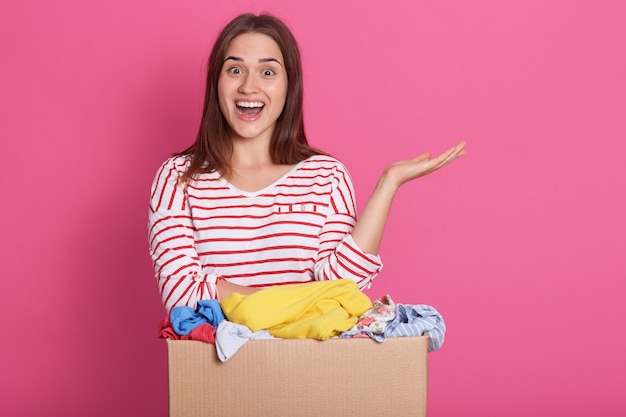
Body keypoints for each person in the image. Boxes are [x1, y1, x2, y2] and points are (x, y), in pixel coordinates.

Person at [149, 13, 465, 312]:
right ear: (216, 83)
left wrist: (389, 183)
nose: (248, 86)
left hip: (309, 367)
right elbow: (182, 295)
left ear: (290, 86)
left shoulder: (326, 177)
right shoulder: (177, 178)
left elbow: (342, 289)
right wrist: (300, 299)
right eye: (234, 70)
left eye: (268, 72)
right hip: (215, 369)